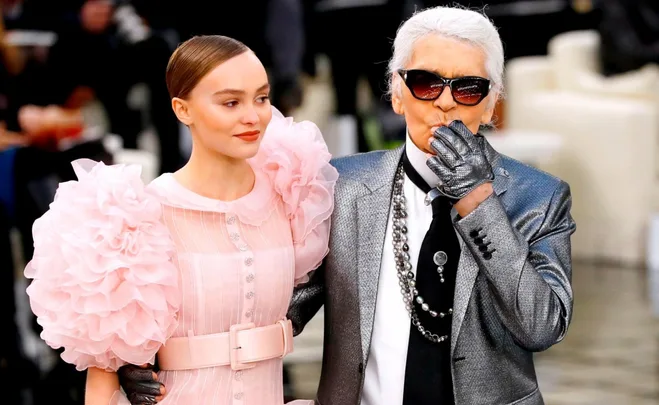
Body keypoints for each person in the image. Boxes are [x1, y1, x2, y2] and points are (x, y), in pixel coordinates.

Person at [122, 6, 575, 405]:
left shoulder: (539, 196)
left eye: (468, 88)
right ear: (396, 93)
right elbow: (276, 303)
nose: (444, 103)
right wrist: (155, 351)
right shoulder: (341, 186)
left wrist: (479, 202)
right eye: (424, 83)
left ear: (492, 101)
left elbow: (542, 327)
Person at [24, 34, 338, 405]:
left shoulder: (294, 192)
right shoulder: (130, 222)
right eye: (231, 102)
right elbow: (101, 385)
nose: (253, 116)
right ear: (182, 109)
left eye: (262, 98)